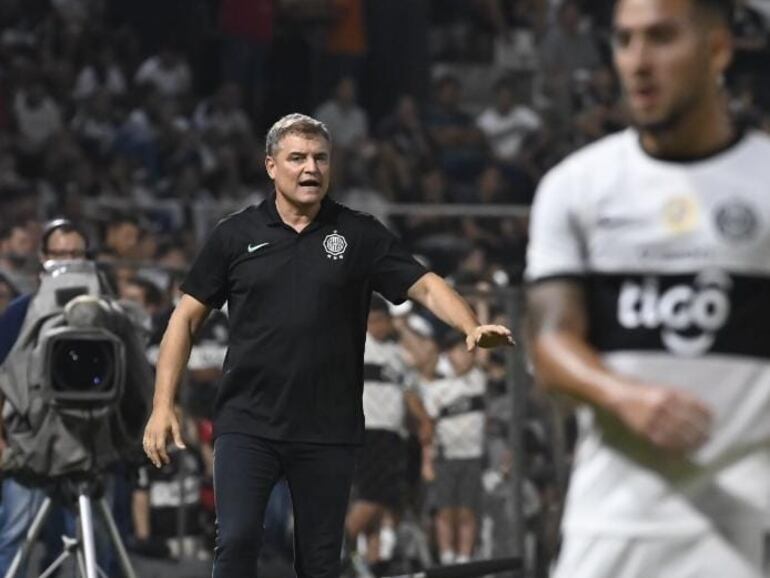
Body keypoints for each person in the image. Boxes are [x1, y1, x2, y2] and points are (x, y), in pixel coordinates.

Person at [142, 113, 514, 578]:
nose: (310, 168)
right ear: (271, 166)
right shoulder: (235, 235)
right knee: (236, 542)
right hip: (248, 420)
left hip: (327, 427)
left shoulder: (358, 234)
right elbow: (185, 319)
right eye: (296, 158)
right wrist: (163, 405)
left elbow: (424, 285)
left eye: (320, 158)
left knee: (319, 563)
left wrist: (470, 325)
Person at [525, 1, 770, 577]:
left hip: (742, 533)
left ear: (718, 49)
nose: (637, 62)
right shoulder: (575, 187)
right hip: (612, 530)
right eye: (625, 40)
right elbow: (552, 348)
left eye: (661, 38)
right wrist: (626, 397)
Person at [0, 218, 92, 575]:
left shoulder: (102, 311)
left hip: (86, 441)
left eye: (76, 254)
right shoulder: (20, 312)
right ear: (42, 257)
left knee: (83, 539)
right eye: (60, 254)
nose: (68, 261)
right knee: (15, 535)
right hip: (28, 442)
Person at [344, 296, 433, 576]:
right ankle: (332, 549)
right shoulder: (358, 347)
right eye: (372, 320)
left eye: (382, 320)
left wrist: (424, 420)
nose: (377, 326)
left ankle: (370, 566)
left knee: (385, 504)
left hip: (393, 435)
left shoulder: (396, 354)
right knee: (372, 499)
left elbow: (423, 361)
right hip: (369, 432)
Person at [420, 332, 487, 566]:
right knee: (445, 511)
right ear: (448, 354)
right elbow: (428, 429)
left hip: (473, 457)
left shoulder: (479, 379)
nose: (463, 356)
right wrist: (426, 461)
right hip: (446, 458)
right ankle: (447, 559)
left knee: (468, 511)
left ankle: (464, 559)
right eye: (457, 351)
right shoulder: (437, 389)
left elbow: (485, 352)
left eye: (466, 350)